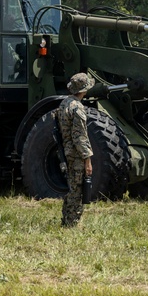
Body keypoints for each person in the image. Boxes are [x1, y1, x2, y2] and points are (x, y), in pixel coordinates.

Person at [55, 73, 95, 226]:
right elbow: (80, 137)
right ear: (83, 90)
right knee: (77, 190)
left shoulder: (64, 103)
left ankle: (66, 220)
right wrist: (87, 160)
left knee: (73, 187)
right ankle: (71, 223)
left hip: (67, 151)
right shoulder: (77, 108)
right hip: (77, 154)